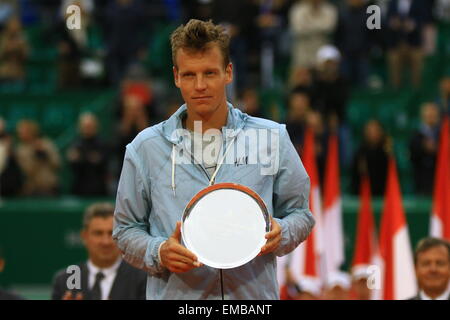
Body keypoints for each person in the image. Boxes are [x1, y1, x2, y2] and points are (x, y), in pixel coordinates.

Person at [113, 19, 315, 300]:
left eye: (209, 73)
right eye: (189, 75)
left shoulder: (270, 138)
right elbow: (125, 231)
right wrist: (158, 251)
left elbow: (301, 214)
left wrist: (284, 232)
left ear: (228, 73)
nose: (199, 86)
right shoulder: (145, 148)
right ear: (176, 77)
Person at [52, 202, 147, 300]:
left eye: (111, 233)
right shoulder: (65, 280)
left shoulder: (141, 279)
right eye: (98, 233)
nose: (105, 242)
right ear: (84, 236)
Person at [67, 113, 110, 197]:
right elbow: (73, 164)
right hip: (78, 189)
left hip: (98, 190)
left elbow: (103, 163)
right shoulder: (75, 144)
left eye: (90, 126)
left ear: (96, 126)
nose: (87, 129)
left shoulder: (102, 144)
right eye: (85, 126)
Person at [15, 120, 60, 196]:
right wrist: (35, 154)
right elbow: (28, 171)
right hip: (33, 188)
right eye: (19, 132)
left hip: (50, 187)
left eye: (23, 132)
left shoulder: (46, 143)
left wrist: (44, 153)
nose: (20, 134)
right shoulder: (21, 150)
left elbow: (57, 164)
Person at [409, 103, 441, 195]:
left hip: (442, 180)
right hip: (423, 182)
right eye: (428, 114)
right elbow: (412, 157)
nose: (431, 117)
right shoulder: (415, 135)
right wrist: (423, 147)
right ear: (422, 116)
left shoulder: (443, 135)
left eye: (433, 114)